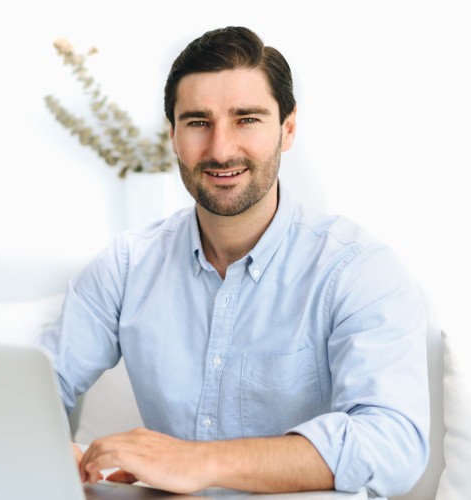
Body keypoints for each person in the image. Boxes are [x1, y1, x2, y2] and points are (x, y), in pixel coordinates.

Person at [37, 26, 429, 498]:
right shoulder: (126, 265)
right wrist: (49, 450)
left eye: (246, 119)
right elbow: (37, 384)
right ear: (174, 136)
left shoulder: (358, 270)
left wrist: (199, 462)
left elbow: (392, 442)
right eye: (199, 122)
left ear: (288, 129)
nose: (221, 149)